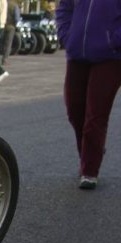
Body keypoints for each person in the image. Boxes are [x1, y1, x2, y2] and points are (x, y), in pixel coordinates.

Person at [57, 0, 121, 190]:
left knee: (96, 114)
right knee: (74, 111)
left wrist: (115, 40)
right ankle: (92, 152)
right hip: (77, 53)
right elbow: (64, 8)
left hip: (110, 57)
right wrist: (66, 37)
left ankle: (89, 170)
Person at [0, 0, 19, 66]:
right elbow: (16, 18)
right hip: (11, 26)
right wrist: (15, 24)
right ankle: (4, 59)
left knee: (1, 41)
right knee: (8, 43)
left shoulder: (3, 3)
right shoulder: (14, 5)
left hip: (2, 25)